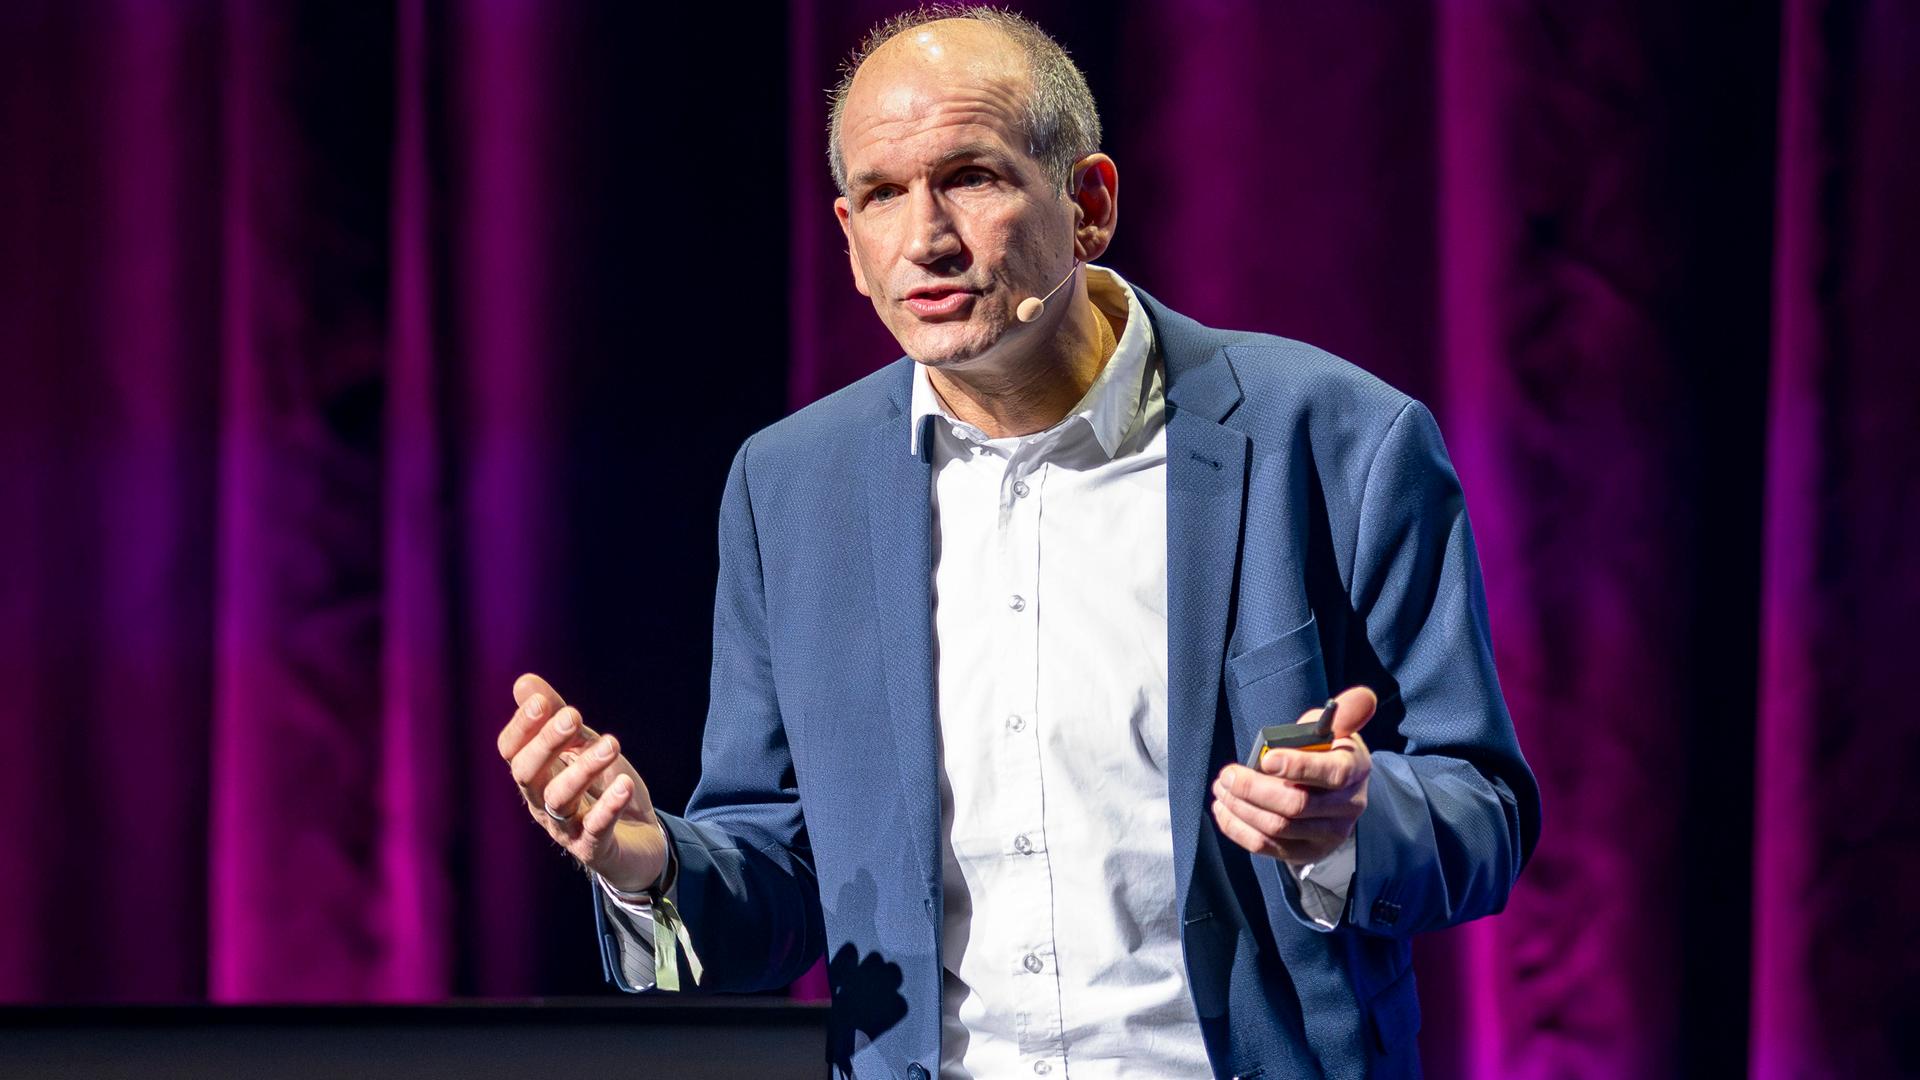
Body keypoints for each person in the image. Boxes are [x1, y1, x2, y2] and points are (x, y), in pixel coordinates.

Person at [495, 7, 1539, 1078]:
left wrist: (1349, 823)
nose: (925, 239)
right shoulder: (790, 486)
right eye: (885, 196)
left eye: (974, 177)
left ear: (1088, 205)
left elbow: (1484, 812)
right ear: (848, 243)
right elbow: (784, 871)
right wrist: (646, 863)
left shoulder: (1335, 438)